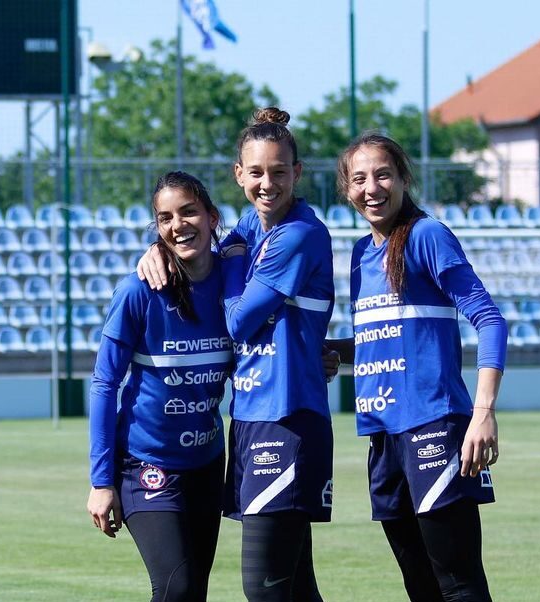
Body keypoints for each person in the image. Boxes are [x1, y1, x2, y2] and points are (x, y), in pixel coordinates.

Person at [139, 107, 336, 602]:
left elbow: (237, 321)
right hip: (249, 417)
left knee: (263, 587)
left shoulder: (299, 233)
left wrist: (229, 260)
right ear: (238, 175)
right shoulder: (250, 225)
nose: (267, 183)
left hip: (287, 419)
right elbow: (198, 248)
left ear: (297, 173)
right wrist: (155, 248)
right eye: (256, 172)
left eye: (278, 171)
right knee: (294, 587)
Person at [326, 132, 507, 602]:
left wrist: (483, 412)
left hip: (434, 424)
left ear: (404, 178)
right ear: (346, 190)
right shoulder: (360, 255)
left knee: (459, 585)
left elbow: (489, 320)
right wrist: (332, 352)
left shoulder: (427, 236)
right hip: (383, 436)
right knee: (420, 586)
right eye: (359, 178)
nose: (372, 188)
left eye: (383, 174)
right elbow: (377, 340)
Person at [87, 172, 231, 602]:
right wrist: (101, 481)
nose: (178, 224)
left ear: (211, 217)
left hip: (207, 463)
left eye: (189, 211)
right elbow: (104, 384)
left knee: (194, 592)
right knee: (176, 587)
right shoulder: (137, 291)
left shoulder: (234, 281)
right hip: (145, 464)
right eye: (165, 218)